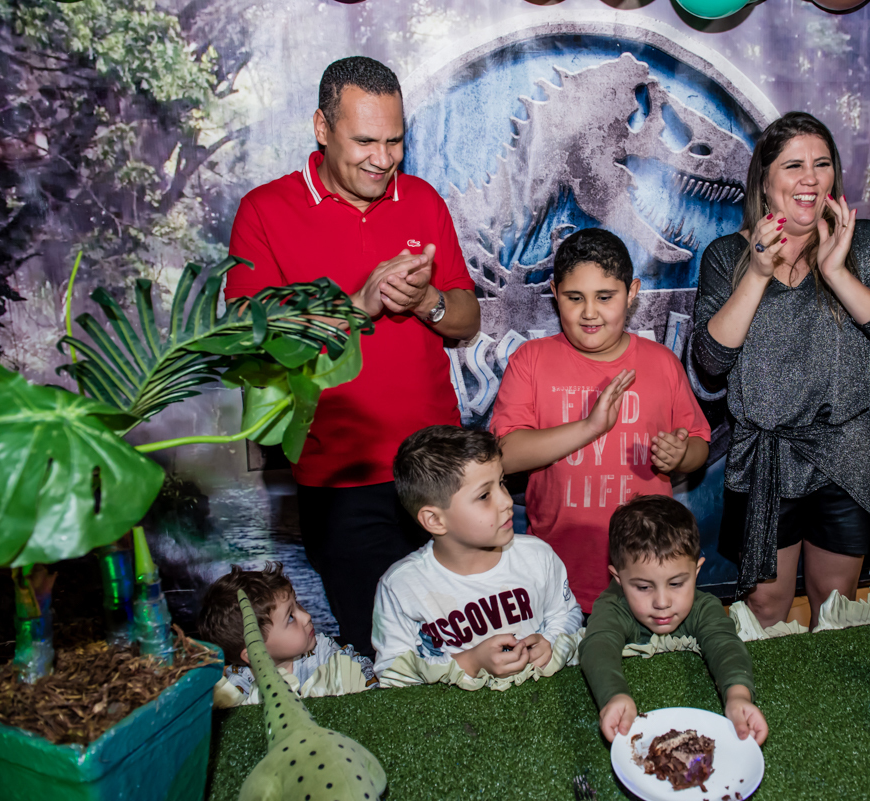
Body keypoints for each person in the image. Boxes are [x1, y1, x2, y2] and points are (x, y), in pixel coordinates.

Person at [225, 56, 480, 655]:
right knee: (383, 647)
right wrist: (357, 306)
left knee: (469, 634)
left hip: (439, 469)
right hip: (341, 476)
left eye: (394, 140)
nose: (383, 157)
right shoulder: (265, 212)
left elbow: (467, 317)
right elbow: (251, 341)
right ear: (322, 127)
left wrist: (427, 301)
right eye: (365, 139)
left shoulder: (422, 200)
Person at [691, 111, 870, 630]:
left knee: (835, 603)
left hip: (845, 450)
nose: (811, 178)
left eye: (822, 164)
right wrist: (758, 272)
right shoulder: (728, 256)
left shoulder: (863, 243)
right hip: (766, 453)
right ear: (765, 182)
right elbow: (711, 361)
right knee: (767, 608)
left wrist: (836, 271)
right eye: (793, 165)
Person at [490, 228, 711, 613]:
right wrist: (589, 427)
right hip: (557, 574)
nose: (589, 312)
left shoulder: (661, 362)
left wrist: (681, 455)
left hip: (647, 580)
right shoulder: (531, 360)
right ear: (556, 294)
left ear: (632, 292)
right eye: (575, 298)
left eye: (605, 297)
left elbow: (698, 444)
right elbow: (505, 455)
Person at [371, 426, 583, 686]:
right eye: (484, 495)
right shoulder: (400, 587)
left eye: (502, 483)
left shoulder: (538, 556)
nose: (506, 501)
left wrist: (551, 642)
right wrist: (470, 663)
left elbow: (567, 614)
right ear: (435, 520)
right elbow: (392, 674)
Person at [579, 495, 767, 745]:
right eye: (644, 587)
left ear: (696, 571)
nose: (662, 602)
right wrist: (613, 696)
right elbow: (597, 647)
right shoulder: (612, 607)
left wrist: (738, 696)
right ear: (618, 578)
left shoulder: (703, 607)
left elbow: (725, 644)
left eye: (676, 583)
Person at [198, 562, 376, 707]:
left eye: (297, 604)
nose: (306, 616)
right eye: (290, 617)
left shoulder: (323, 650)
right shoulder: (237, 691)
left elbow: (367, 679)